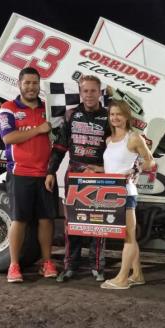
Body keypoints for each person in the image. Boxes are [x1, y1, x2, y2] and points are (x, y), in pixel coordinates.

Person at [45, 75, 109, 282]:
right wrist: (50, 171)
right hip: (74, 174)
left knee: (97, 224)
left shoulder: (109, 117)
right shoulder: (71, 115)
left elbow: (116, 149)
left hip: (99, 177)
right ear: (80, 93)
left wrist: (104, 169)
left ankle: (97, 266)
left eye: (93, 91)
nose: (89, 95)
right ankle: (70, 266)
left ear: (100, 92)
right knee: (72, 223)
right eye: (85, 91)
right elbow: (60, 147)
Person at [0, 67, 58, 283]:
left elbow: (59, 135)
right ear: (19, 84)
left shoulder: (48, 108)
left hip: (46, 174)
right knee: (19, 219)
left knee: (46, 219)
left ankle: (47, 262)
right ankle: (13, 266)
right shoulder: (8, 108)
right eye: (27, 83)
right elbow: (8, 138)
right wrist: (39, 130)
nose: (31, 87)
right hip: (20, 172)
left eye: (34, 83)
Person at [99, 99, 155, 290]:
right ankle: (137, 275)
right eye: (112, 114)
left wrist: (135, 170)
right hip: (110, 192)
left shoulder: (133, 138)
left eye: (119, 114)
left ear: (127, 116)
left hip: (126, 192)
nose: (115, 118)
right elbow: (112, 166)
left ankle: (122, 278)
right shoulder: (109, 140)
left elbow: (150, 162)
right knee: (127, 236)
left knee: (129, 235)